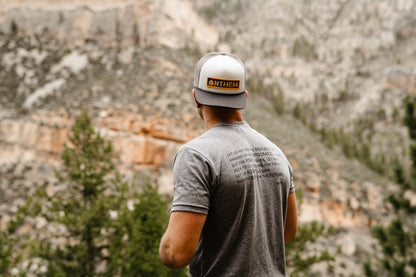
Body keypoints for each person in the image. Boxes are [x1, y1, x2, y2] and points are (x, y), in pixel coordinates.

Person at [159, 52, 297, 276]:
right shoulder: (276, 153)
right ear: (244, 96)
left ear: (196, 97)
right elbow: (288, 232)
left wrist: (166, 244)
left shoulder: (196, 156)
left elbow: (177, 254)